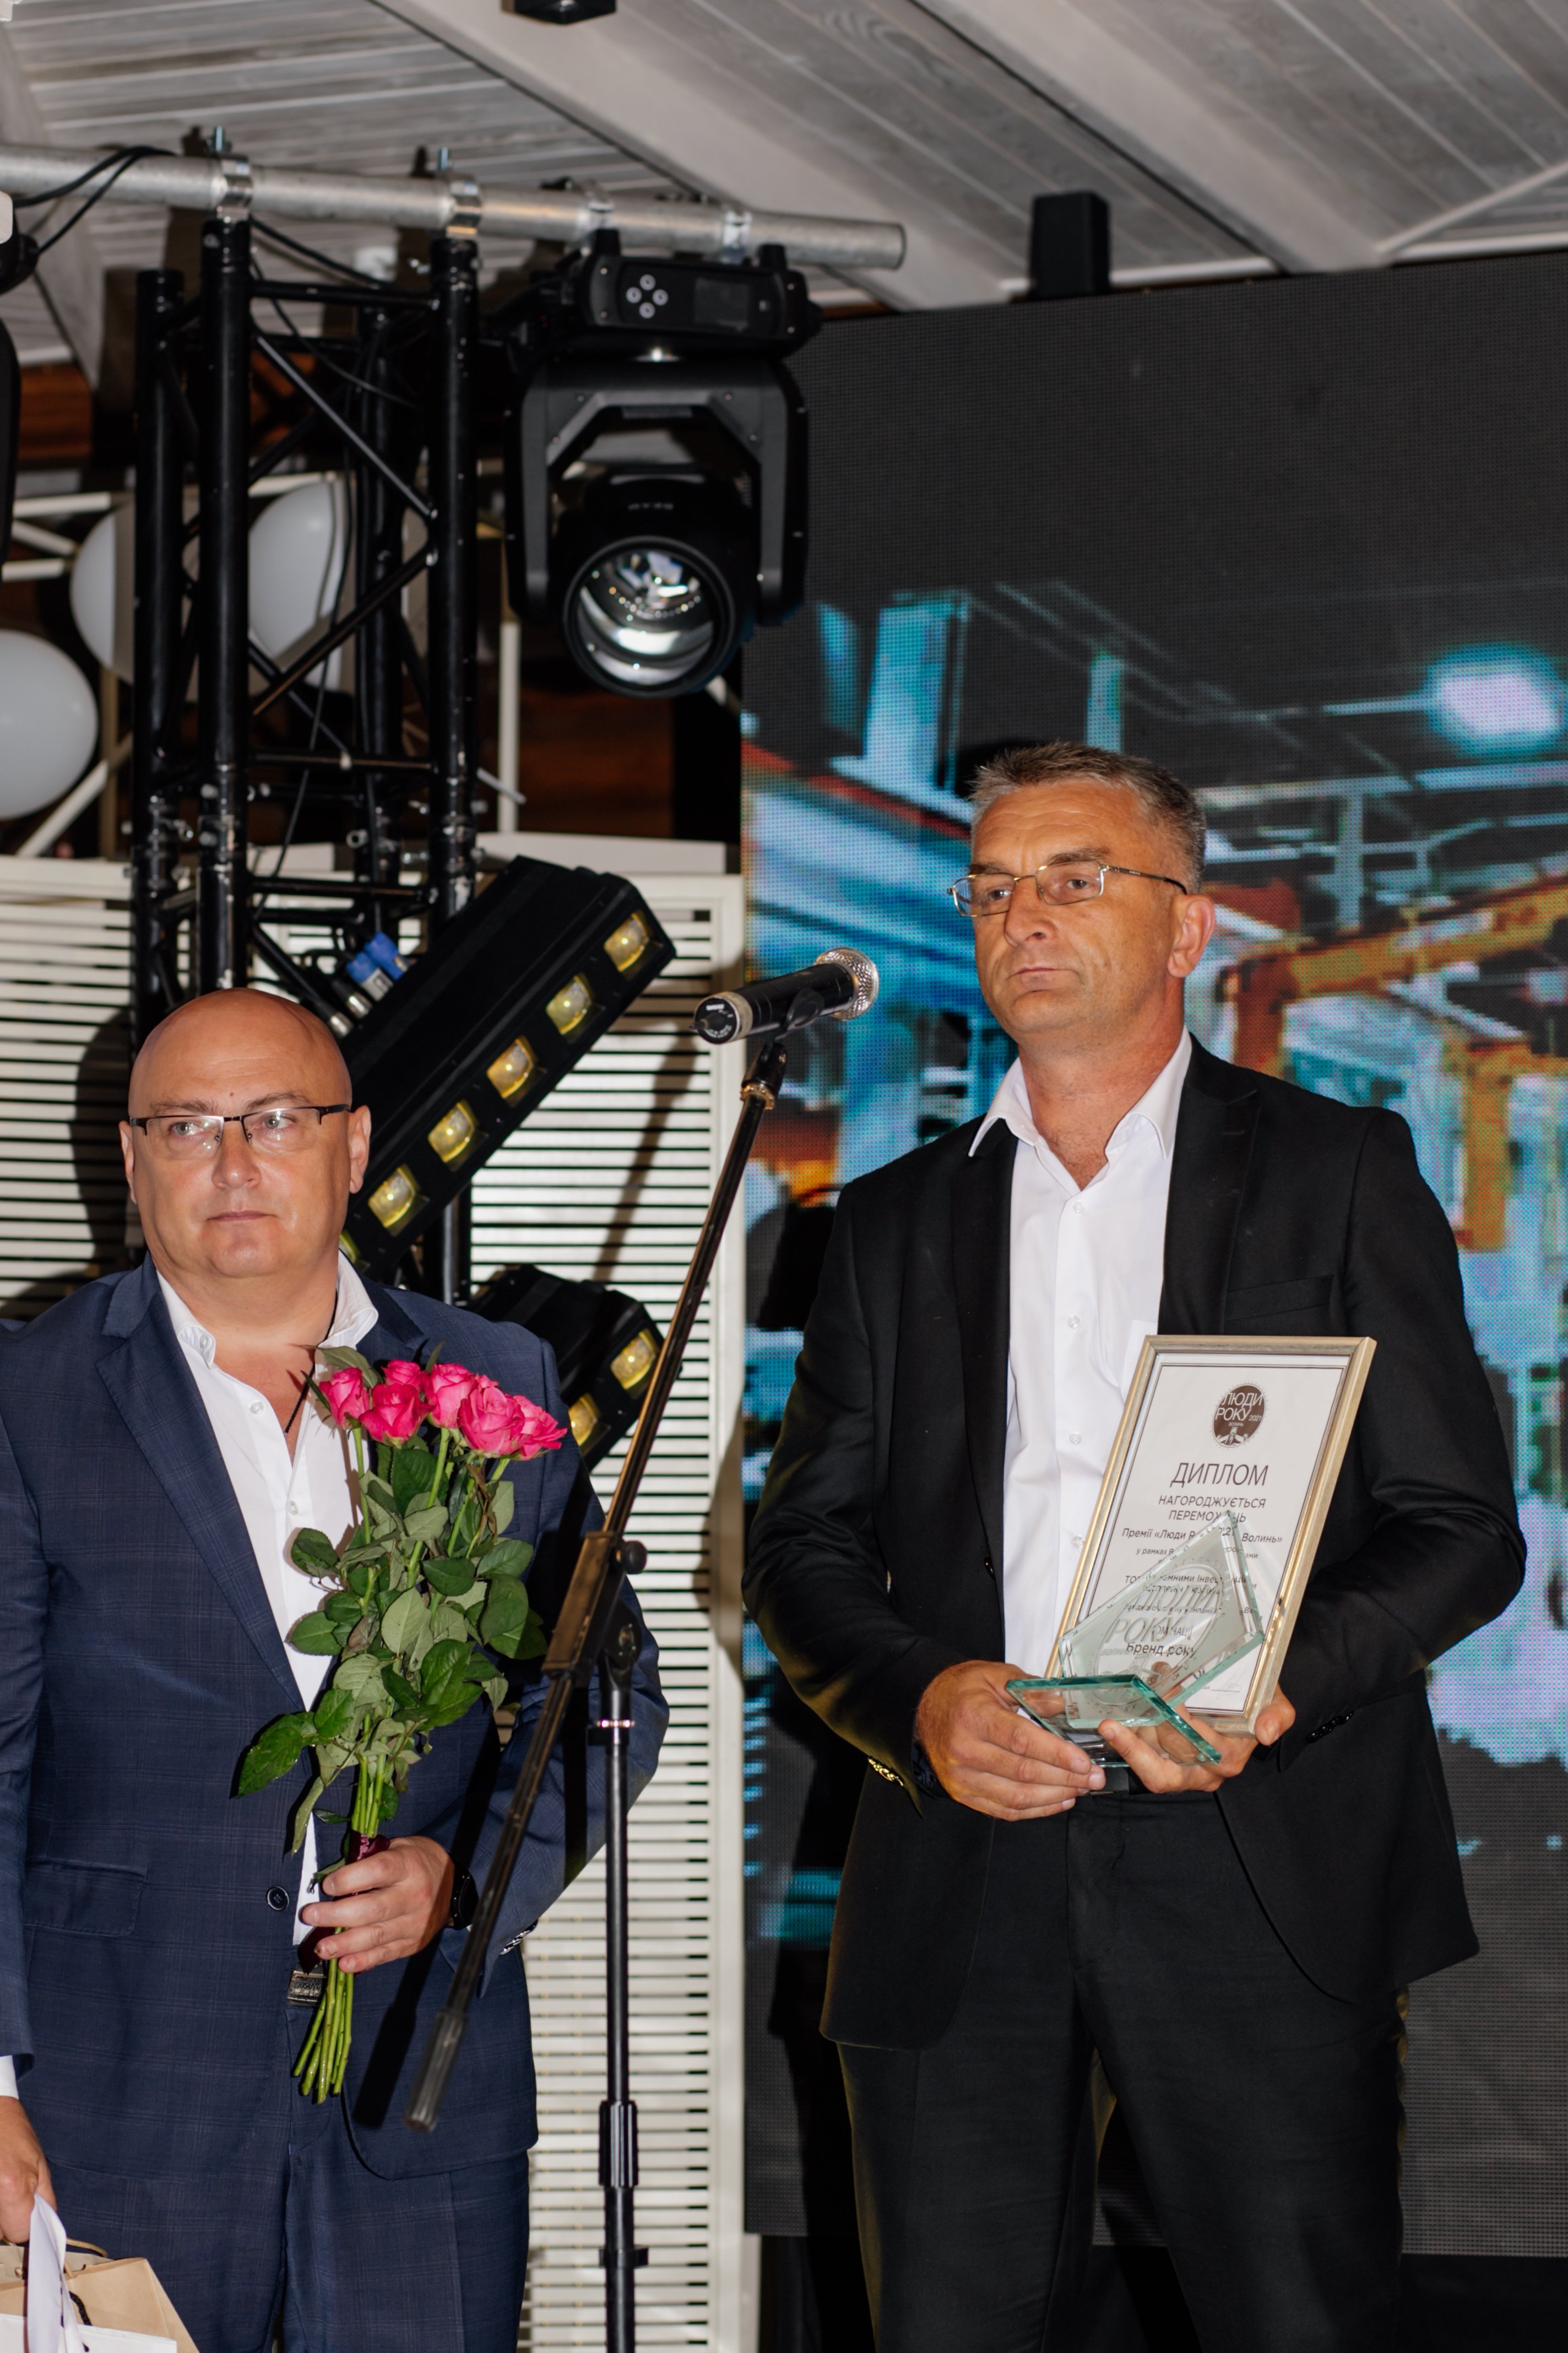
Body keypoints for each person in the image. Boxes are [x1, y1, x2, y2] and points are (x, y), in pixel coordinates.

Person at [745, 743, 1523, 2353]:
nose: (1022, 916)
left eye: (1074, 878)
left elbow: (1460, 1530)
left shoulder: (1333, 1171)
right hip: (967, 1838)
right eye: (993, 888)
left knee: (1293, 2324)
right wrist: (921, 1701)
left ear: (1186, 927)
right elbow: (801, 1548)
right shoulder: (888, 1222)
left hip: (1252, 1842)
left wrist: (1278, 1685)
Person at [0, 987, 666, 2353]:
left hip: (416, 2099)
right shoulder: (30, 1395)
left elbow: (602, 1701)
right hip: (110, 2102)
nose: (231, 1161)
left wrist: (464, 1878)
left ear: (353, 1146)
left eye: (275, 1120)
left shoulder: (491, 1380)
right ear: (131, 1159)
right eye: (186, 1127)